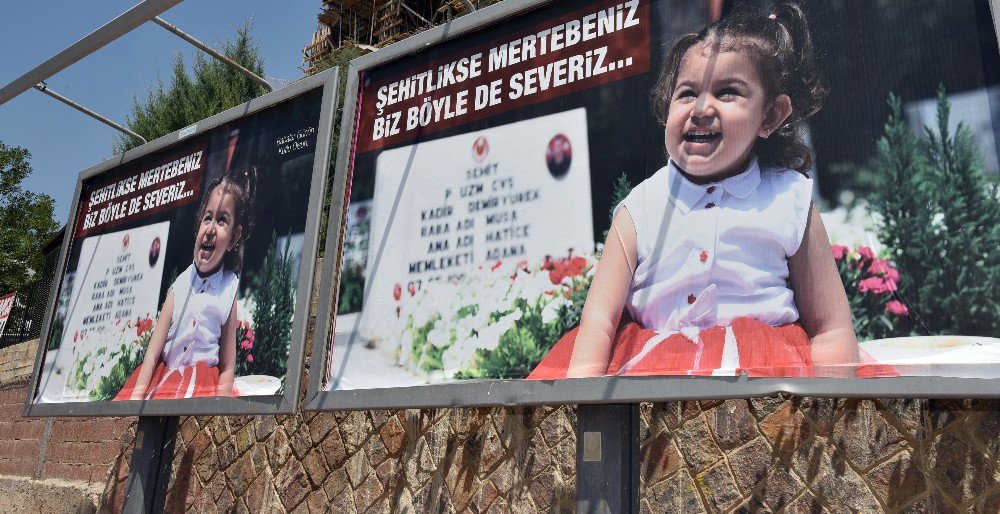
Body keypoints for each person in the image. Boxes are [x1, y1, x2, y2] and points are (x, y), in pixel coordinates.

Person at [529, 3, 859, 380]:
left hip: (767, 382)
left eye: (728, 92)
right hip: (652, 378)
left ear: (769, 116)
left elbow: (830, 325)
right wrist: (584, 405)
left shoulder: (789, 201)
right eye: (686, 93)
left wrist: (835, 412)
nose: (701, 108)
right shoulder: (641, 208)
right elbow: (600, 319)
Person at [115, 167, 257, 400]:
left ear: (234, 237)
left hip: (203, 385)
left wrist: (217, 408)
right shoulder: (179, 287)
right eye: (208, 217)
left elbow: (228, 365)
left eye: (222, 221)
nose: (211, 228)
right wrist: (135, 398)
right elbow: (152, 355)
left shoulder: (228, 289)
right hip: (165, 379)